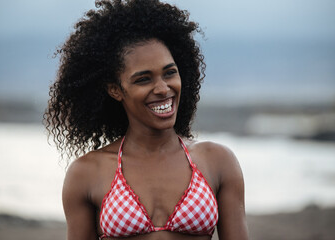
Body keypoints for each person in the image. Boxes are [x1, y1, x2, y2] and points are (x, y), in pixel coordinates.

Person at [44, 0, 248, 239]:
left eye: (170, 72)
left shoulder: (218, 161)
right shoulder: (86, 173)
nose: (163, 88)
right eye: (143, 79)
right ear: (115, 90)